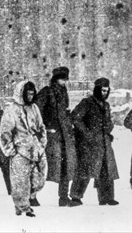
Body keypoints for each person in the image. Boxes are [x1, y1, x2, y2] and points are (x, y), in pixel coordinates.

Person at [0, 81, 47, 217]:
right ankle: (23, 207)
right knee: (20, 181)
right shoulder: (12, 109)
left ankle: (27, 200)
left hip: (36, 150)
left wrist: (42, 143)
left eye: (32, 94)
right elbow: (4, 132)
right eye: (28, 94)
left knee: (40, 179)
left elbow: (41, 126)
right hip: (20, 151)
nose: (31, 97)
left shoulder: (34, 108)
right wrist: (11, 151)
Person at [69, 77, 119, 206]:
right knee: (84, 169)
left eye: (106, 91)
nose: (104, 93)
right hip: (88, 144)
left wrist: (108, 130)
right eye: (102, 90)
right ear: (97, 90)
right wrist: (87, 134)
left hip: (104, 143)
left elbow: (108, 121)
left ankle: (106, 197)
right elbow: (75, 118)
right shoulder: (87, 103)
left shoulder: (106, 105)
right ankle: (75, 197)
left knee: (106, 170)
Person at [35, 66, 77, 207]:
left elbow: (64, 112)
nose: (64, 82)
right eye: (61, 79)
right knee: (42, 167)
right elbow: (37, 111)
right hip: (50, 136)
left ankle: (63, 197)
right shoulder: (46, 92)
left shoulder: (64, 93)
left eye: (65, 79)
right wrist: (45, 128)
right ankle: (31, 195)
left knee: (65, 167)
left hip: (64, 136)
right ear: (55, 79)